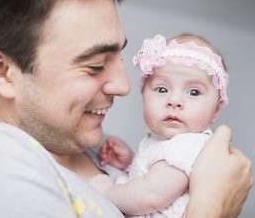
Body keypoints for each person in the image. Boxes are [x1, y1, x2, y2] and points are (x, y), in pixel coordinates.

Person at [0, 0, 253, 218]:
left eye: (118, 56)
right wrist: (211, 209)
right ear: (2, 72)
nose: (124, 86)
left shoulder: (93, 146)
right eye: (95, 65)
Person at [89, 33, 234, 217]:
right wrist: (129, 164)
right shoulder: (161, 140)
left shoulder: (189, 145)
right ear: (143, 95)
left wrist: (106, 191)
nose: (174, 101)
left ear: (216, 110)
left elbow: (151, 195)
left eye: (194, 92)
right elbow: (153, 176)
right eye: (162, 89)